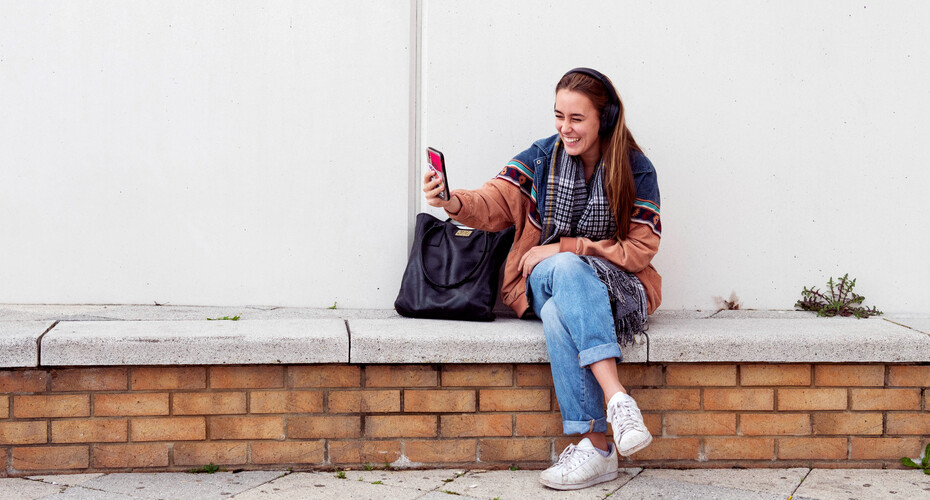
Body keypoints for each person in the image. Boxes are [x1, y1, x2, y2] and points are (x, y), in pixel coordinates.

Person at [423, 67, 661, 491]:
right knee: (563, 275)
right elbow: (492, 201)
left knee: (557, 311)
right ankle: (617, 398)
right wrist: (451, 200)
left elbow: (640, 250)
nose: (564, 129)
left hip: (613, 287)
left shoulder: (635, 169)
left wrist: (568, 246)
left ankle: (597, 446)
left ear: (604, 120)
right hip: (539, 276)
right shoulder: (541, 157)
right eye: (559, 116)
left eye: (576, 119)